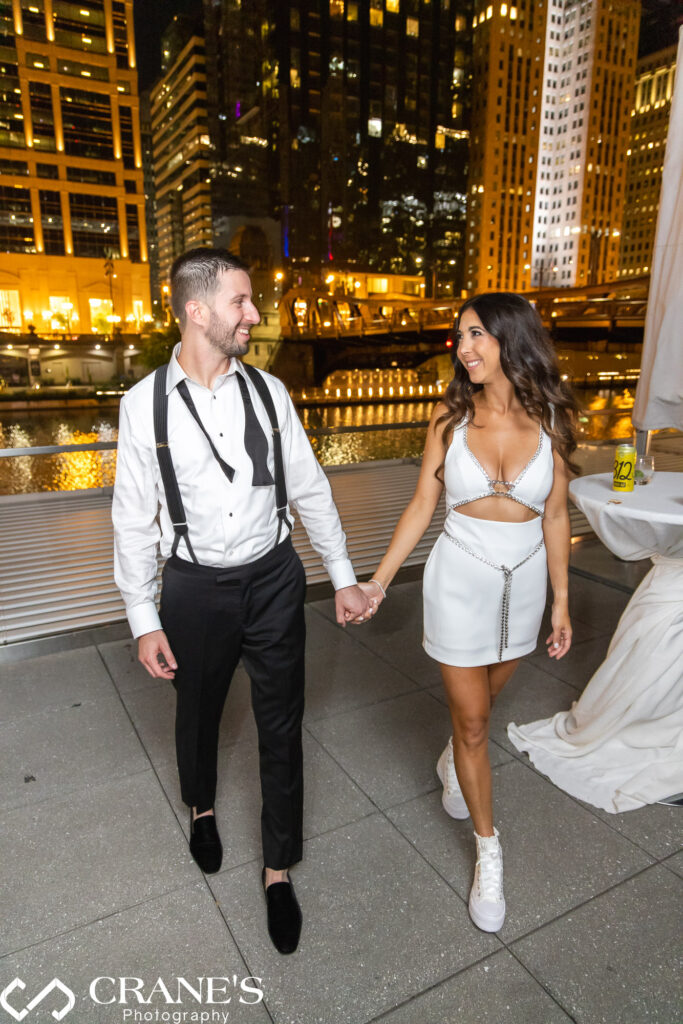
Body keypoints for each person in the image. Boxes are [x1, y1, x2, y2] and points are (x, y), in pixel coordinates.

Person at [112, 248, 372, 955]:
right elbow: (135, 520)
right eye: (241, 302)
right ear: (197, 312)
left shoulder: (269, 393)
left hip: (274, 578)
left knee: (281, 725)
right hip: (193, 588)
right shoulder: (143, 406)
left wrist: (342, 574)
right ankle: (201, 809)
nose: (253, 315)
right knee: (195, 712)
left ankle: (277, 871)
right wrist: (143, 618)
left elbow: (311, 488)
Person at [358, 293, 578, 933]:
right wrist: (378, 581)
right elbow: (422, 506)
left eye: (477, 334)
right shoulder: (448, 420)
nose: (464, 348)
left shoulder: (553, 421)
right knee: (475, 721)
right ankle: (489, 850)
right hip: (458, 580)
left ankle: (454, 757)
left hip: (526, 585)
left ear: (513, 337)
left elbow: (557, 516)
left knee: (483, 704)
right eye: (460, 337)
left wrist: (562, 601)